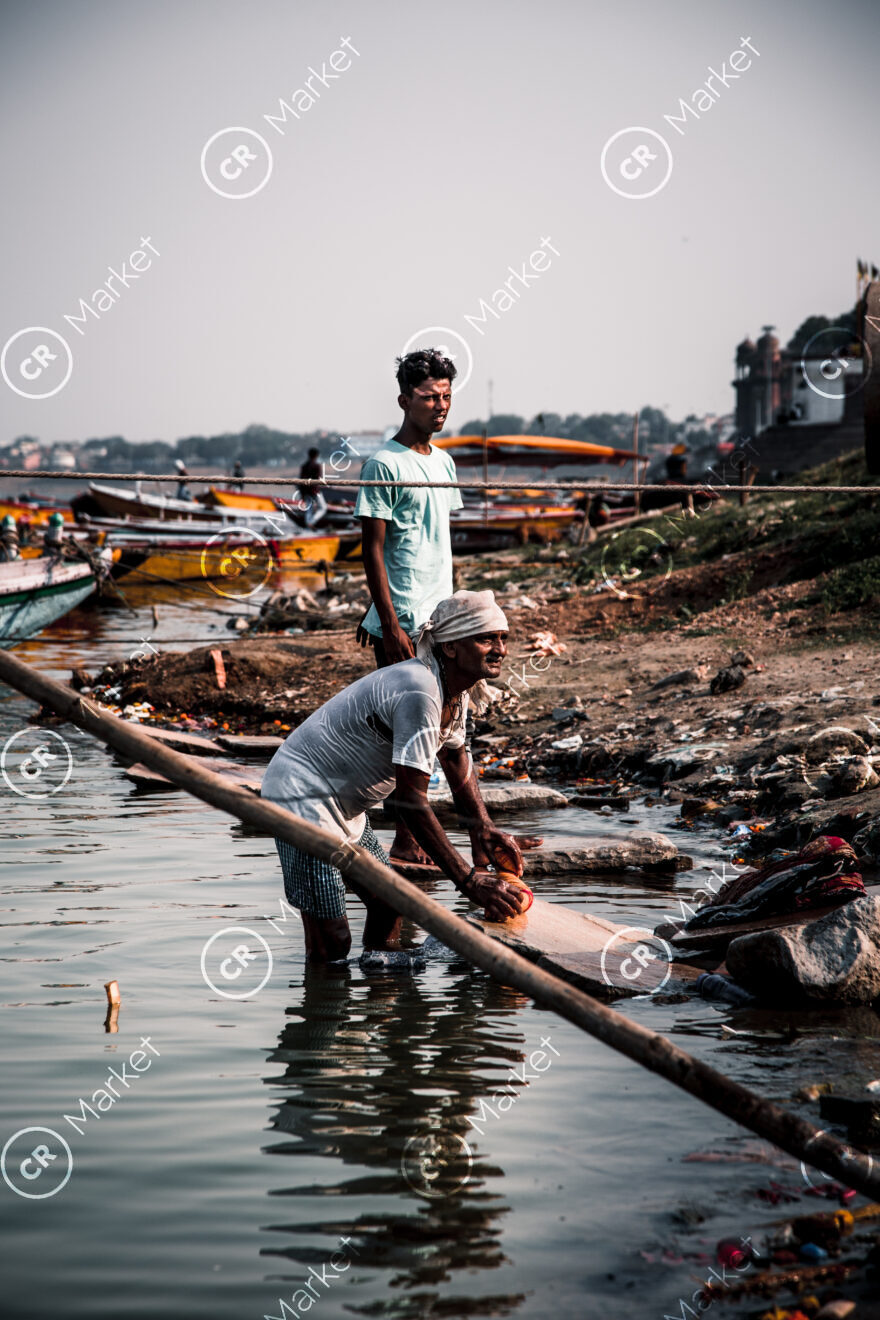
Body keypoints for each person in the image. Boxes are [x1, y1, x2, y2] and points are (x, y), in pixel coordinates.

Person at [261, 591, 530, 964]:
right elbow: (409, 802)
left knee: (389, 903)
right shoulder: (421, 691)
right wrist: (468, 881)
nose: (500, 649)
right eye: (486, 639)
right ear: (450, 648)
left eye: (503, 638)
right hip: (302, 797)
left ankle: (385, 1000)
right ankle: (324, 1013)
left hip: (343, 806)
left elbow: (453, 755)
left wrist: (482, 827)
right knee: (332, 941)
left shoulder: (456, 689)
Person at [297, 447, 327, 527]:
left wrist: (302, 495)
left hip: (306, 491)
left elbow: (301, 481)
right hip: (315, 491)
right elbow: (319, 479)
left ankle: (308, 525)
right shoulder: (317, 466)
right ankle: (312, 522)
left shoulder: (304, 466)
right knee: (323, 508)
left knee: (309, 510)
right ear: (316, 455)